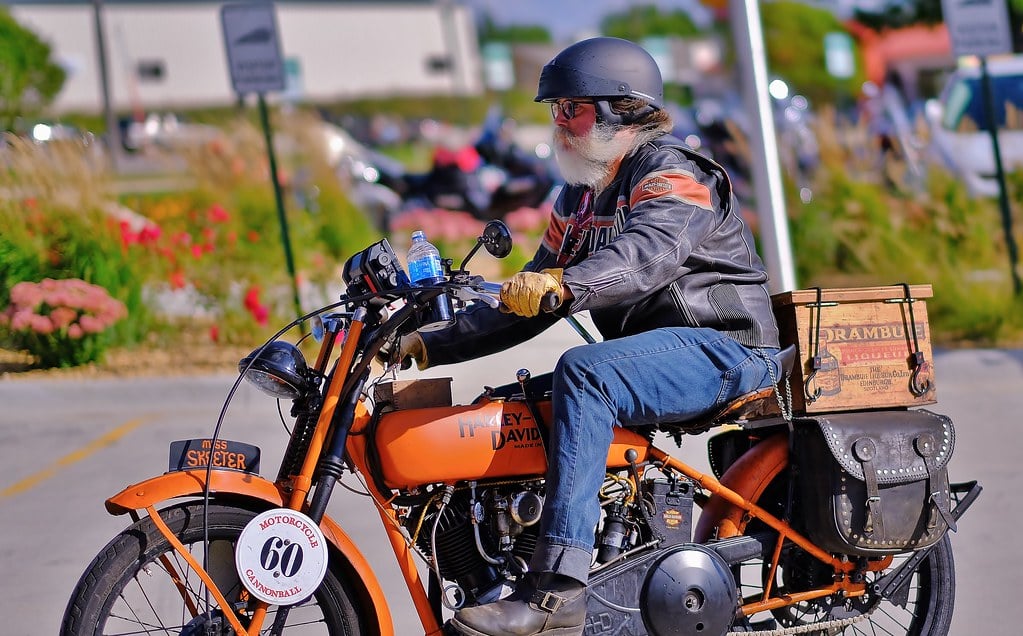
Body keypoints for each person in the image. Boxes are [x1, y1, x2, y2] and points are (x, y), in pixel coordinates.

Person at [386, 37, 781, 636]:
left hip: (722, 346)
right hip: (652, 354)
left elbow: (648, 256)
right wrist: (430, 342)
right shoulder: (579, 196)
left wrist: (564, 284)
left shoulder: (672, 173)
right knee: (511, 409)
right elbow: (530, 301)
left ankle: (559, 593)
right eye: (555, 110)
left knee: (585, 371)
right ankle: (516, 562)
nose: (558, 124)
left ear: (621, 109)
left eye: (572, 109)